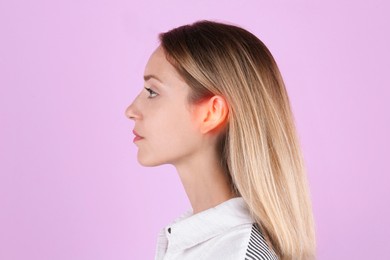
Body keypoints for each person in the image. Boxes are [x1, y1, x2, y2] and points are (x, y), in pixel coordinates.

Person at [125, 20, 316, 260]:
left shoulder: (237, 253)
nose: (130, 110)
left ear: (212, 113)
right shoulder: (201, 244)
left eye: (152, 92)